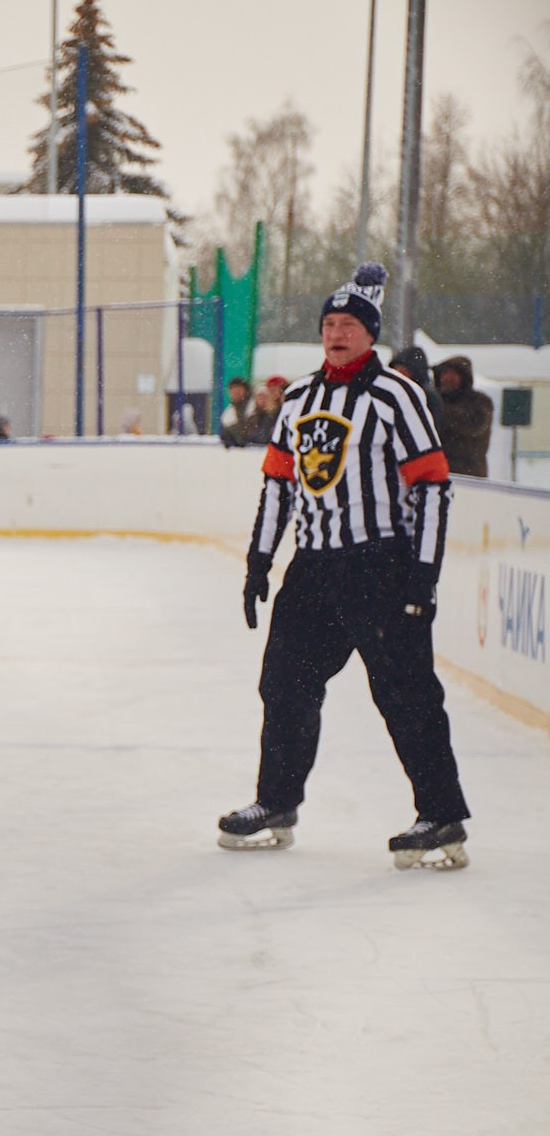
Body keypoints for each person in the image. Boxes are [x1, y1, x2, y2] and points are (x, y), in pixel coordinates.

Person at [218, 263, 469, 869]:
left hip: (380, 565)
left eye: (348, 325)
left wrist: (423, 573)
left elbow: (433, 485)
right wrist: (259, 561)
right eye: (329, 324)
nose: (336, 333)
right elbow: (279, 484)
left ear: (370, 334)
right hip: (312, 570)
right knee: (285, 684)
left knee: (404, 691)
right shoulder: (300, 397)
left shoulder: (397, 396)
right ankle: (276, 802)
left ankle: (441, 814)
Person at [432, 355, 494, 477]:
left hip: (469, 474)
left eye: (453, 374)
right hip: (439, 471)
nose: (447, 378)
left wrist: (438, 407)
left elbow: (474, 425)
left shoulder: (479, 401)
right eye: (444, 373)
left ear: (464, 377)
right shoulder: (436, 400)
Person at [242, 376, 287, 446]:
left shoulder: (284, 410)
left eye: (275, 389)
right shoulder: (265, 414)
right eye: (270, 390)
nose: (273, 393)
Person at [218, 376, 253, 447]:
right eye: (233, 389)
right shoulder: (228, 412)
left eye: (239, 389)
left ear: (246, 390)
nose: (236, 392)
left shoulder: (254, 406)